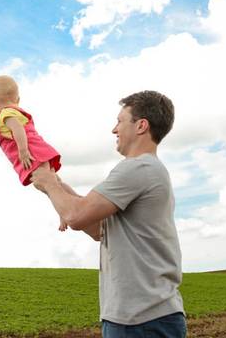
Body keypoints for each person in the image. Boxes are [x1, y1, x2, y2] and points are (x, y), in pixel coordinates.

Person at [31, 90, 186, 337]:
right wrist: (56, 186)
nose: (114, 130)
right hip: (139, 318)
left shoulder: (138, 168)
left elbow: (76, 215)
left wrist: (49, 184)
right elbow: (97, 229)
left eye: (120, 121)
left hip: (140, 320)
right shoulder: (146, 170)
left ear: (141, 126)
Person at [0, 75, 61, 186]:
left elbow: (18, 128)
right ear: (18, 100)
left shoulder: (5, 113)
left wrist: (23, 152)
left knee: (47, 184)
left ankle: (72, 201)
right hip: (39, 152)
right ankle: (75, 198)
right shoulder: (18, 113)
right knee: (55, 182)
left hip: (32, 155)